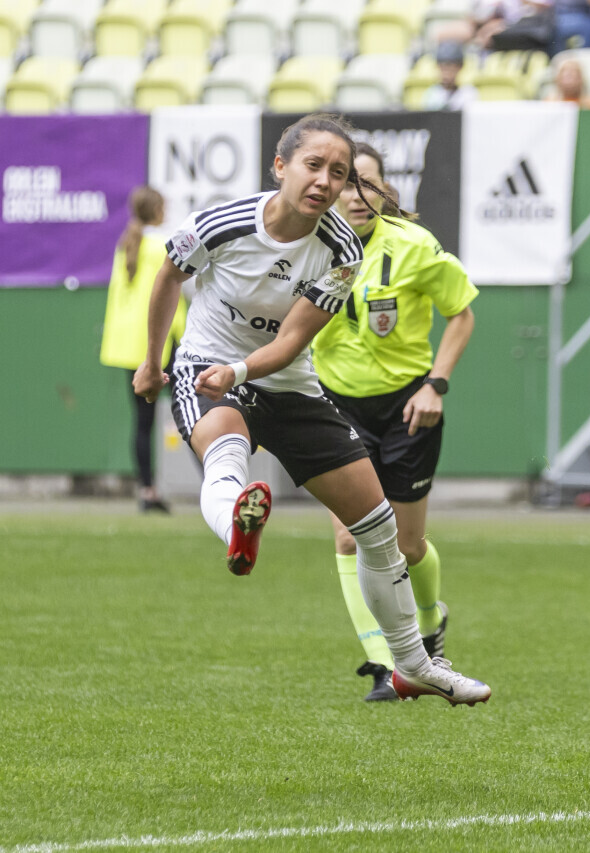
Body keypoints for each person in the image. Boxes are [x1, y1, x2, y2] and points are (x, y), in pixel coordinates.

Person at [132, 114, 491, 707]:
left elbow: (292, 341)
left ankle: (412, 666)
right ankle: (238, 528)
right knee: (225, 454)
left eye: (339, 172)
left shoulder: (342, 249)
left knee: (377, 528)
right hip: (207, 367)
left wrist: (241, 371)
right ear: (281, 166)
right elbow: (169, 274)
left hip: (288, 384)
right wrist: (152, 362)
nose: (326, 181)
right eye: (314, 165)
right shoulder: (221, 224)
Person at [313, 142, 479, 702]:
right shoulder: (307, 248)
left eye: (369, 183)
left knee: (407, 546)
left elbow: (461, 315)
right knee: (349, 537)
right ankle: (383, 664)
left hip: (409, 406)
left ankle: (430, 624)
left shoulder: (414, 246)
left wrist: (436, 384)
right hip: (336, 406)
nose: (357, 195)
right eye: (347, 182)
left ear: (387, 189)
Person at [100, 185, 186, 513]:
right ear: (157, 210)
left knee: (143, 421)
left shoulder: (127, 244)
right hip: (160, 343)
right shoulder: (161, 246)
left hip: (129, 345)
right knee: (192, 411)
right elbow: (171, 296)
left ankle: (147, 492)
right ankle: (216, 484)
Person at [420, 41, 478, 111]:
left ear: (459, 67)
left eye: (450, 67)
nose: (446, 72)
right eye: (442, 67)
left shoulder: (468, 93)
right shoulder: (431, 94)